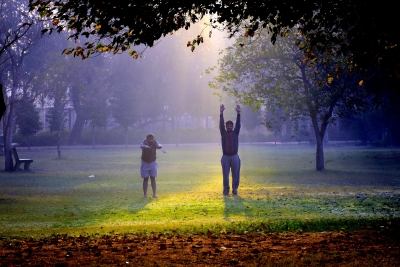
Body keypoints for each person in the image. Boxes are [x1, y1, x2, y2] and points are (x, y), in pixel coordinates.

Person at [219, 104, 241, 195]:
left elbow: (238, 125)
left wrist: (238, 113)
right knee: (225, 175)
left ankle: (234, 189)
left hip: (234, 156)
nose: (229, 127)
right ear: (226, 127)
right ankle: (226, 189)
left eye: (230, 126)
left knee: (235, 174)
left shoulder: (235, 133)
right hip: (225, 157)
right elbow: (221, 125)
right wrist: (221, 113)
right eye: (227, 125)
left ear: (232, 126)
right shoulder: (223, 133)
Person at [140, 133, 162, 198]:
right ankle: (145, 195)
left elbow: (159, 145)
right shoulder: (144, 142)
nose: (151, 140)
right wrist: (145, 147)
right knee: (145, 179)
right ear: (147, 139)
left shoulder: (155, 142)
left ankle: (154, 194)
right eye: (149, 139)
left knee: (153, 178)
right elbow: (141, 146)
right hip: (145, 163)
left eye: (152, 139)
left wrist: (159, 146)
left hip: (153, 162)